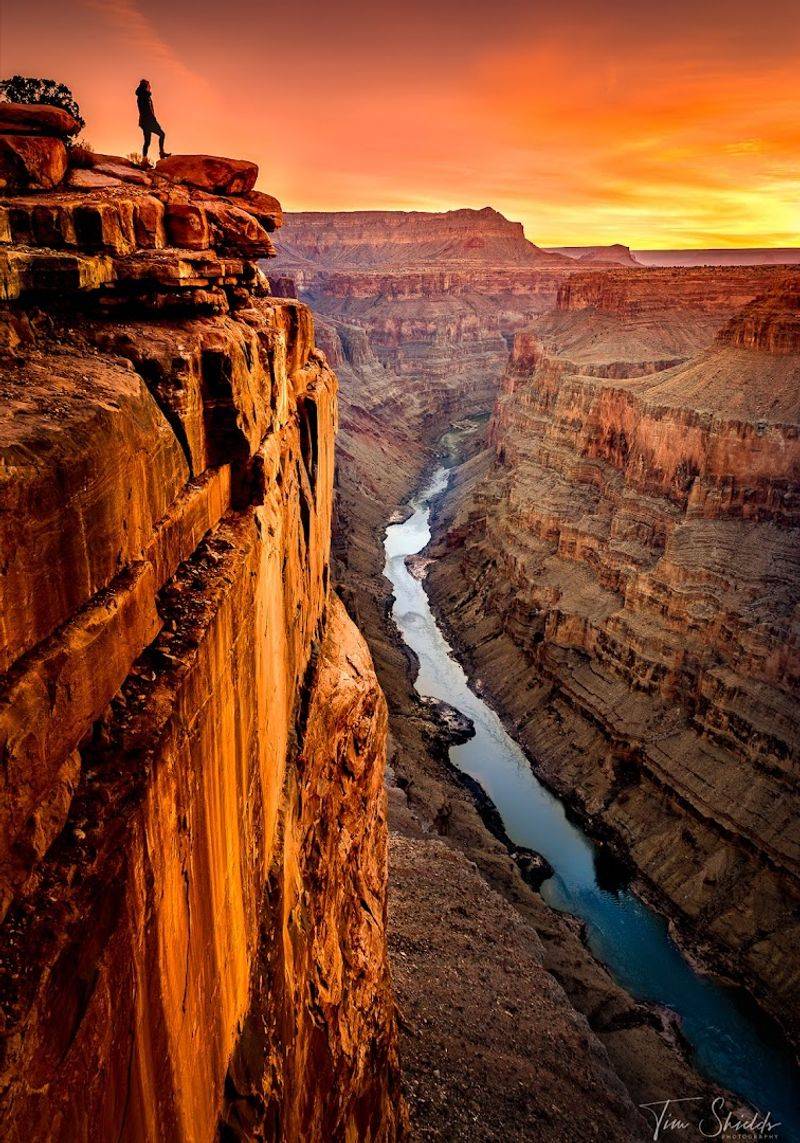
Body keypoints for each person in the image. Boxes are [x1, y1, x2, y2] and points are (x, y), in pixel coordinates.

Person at [135, 79, 170, 162]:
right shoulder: (144, 96)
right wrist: (153, 121)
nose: (150, 87)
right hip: (148, 121)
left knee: (147, 142)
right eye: (148, 85)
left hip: (145, 121)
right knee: (161, 134)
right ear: (145, 86)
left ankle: (144, 160)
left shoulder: (144, 96)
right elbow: (147, 110)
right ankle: (161, 153)